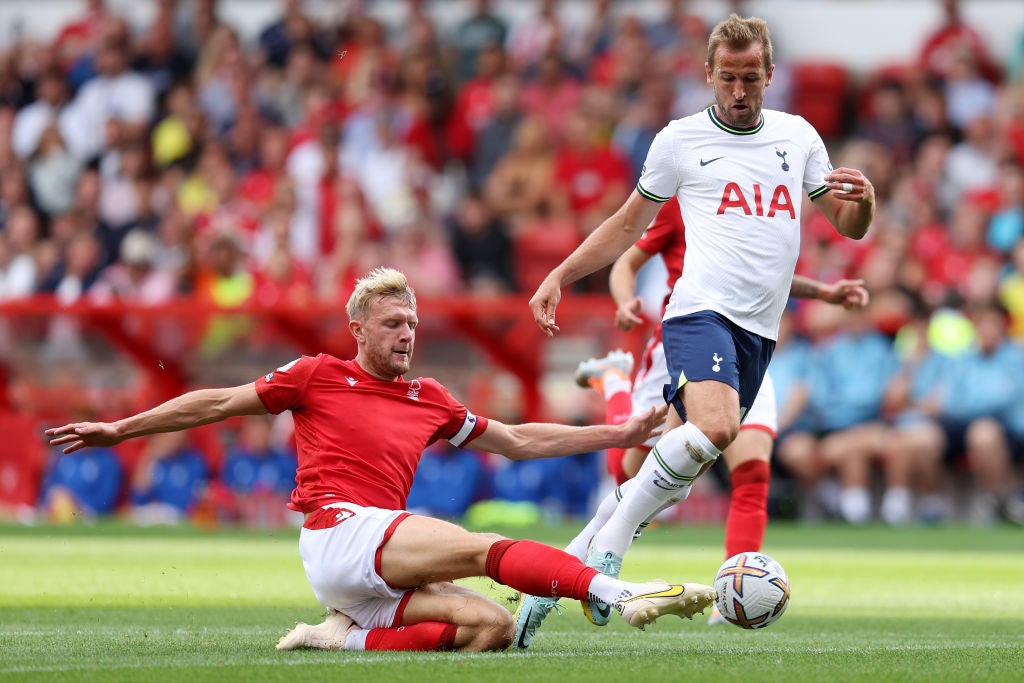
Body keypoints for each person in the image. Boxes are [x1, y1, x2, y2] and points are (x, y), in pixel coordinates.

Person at [47, 266, 715, 653]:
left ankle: (336, 637)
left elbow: (517, 440)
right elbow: (216, 402)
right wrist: (121, 428)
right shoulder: (315, 375)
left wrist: (619, 434)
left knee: (493, 625)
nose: (407, 334)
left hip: (374, 559)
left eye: (413, 324)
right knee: (481, 547)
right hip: (338, 531)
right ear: (359, 329)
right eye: (394, 323)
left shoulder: (430, 398)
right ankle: (616, 591)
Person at [526, 13, 874, 637]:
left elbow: (845, 225)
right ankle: (608, 553)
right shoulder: (679, 142)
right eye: (728, 78)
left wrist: (865, 203)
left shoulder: (798, 138)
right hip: (695, 314)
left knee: (674, 472)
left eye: (751, 79)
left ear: (770, 74)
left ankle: (572, 559)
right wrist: (561, 273)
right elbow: (629, 228)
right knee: (718, 430)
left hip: (759, 334)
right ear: (708, 75)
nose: (740, 91)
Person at [513, 196, 868, 645]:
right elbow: (626, 254)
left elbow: (764, 276)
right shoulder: (686, 196)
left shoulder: (763, 197)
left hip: (752, 346)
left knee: (748, 472)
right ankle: (615, 384)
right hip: (689, 338)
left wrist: (824, 292)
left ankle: (733, 594)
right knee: (640, 476)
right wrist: (626, 303)